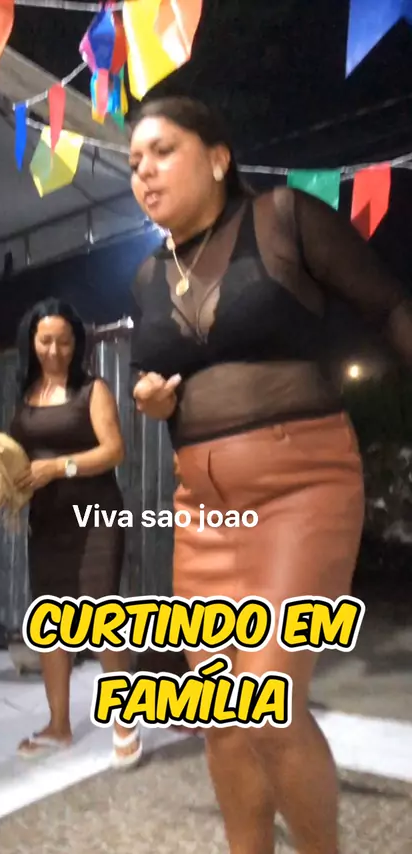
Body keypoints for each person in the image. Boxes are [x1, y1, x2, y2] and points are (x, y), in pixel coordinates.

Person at [127, 95, 412, 854]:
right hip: (202, 508)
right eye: (133, 162)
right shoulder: (146, 276)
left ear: (219, 157)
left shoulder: (283, 218)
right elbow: (158, 381)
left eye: (162, 151)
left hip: (301, 486)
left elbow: (389, 304)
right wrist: (152, 399)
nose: (144, 171)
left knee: (269, 704)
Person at [10, 298, 142, 768]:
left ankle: (125, 724)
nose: (54, 350)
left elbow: (114, 450)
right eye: (45, 341)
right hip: (46, 521)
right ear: (31, 341)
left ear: (76, 343)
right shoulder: (26, 394)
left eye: (64, 342)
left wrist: (58, 467)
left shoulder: (93, 390)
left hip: (95, 518)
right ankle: (58, 725)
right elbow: (14, 456)